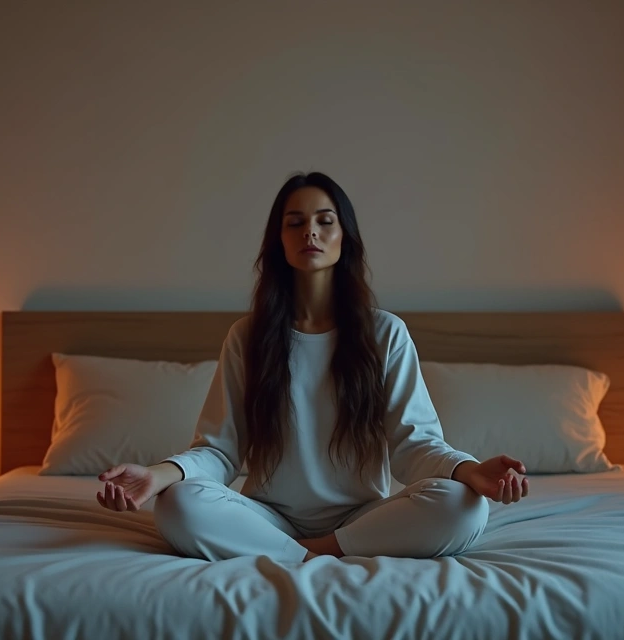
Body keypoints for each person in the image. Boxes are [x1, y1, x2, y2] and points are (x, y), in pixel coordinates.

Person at [95, 172, 530, 563]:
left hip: (362, 516)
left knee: (464, 505)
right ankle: (305, 550)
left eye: (325, 221)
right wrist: (154, 476)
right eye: (295, 222)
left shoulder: (386, 334)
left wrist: (469, 470)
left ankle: (310, 553)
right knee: (177, 504)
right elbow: (219, 451)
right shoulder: (248, 337)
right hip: (268, 516)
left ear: (345, 237)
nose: (310, 232)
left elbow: (413, 445)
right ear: (279, 241)